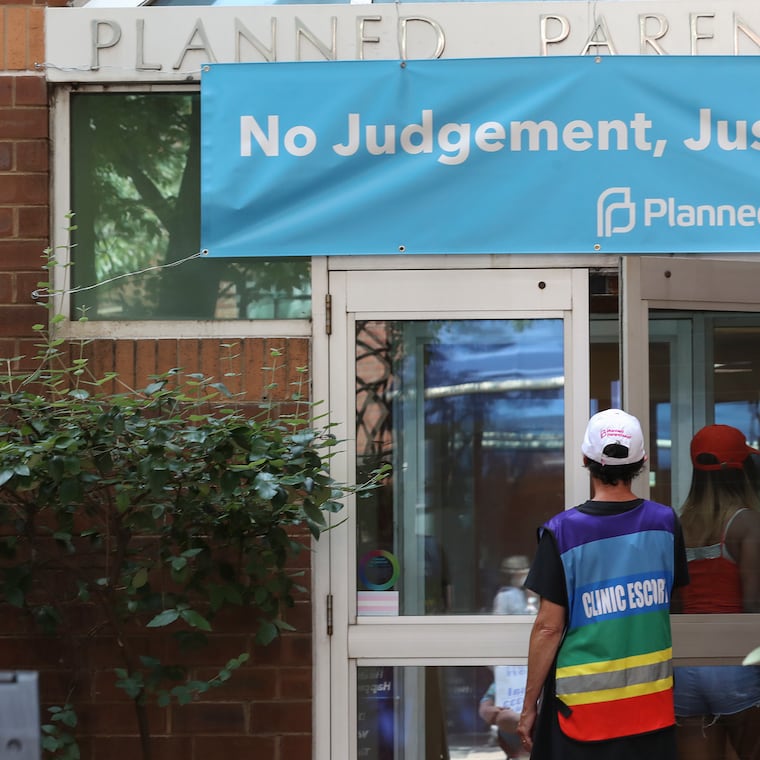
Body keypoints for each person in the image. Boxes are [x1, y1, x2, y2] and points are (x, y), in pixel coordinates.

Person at [516, 408, 690, 760]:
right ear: (642, 460)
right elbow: (670, 600)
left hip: (581, 715)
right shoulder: (666, 524)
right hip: (649, 713)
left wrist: (528, 706)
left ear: (585, 459)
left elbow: (549, 629)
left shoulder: (563, 532)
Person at [673, 424, 760, 760]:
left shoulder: (677, 525)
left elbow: (675, 604)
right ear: (742, 470)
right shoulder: (748, 524)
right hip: (735, 664)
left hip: (686, 667)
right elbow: (753, 605)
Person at [479, 680, 529, 759]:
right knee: (506, 717)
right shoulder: (502, 680)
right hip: (510, 731)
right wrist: (488, 711)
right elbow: (484, 707)